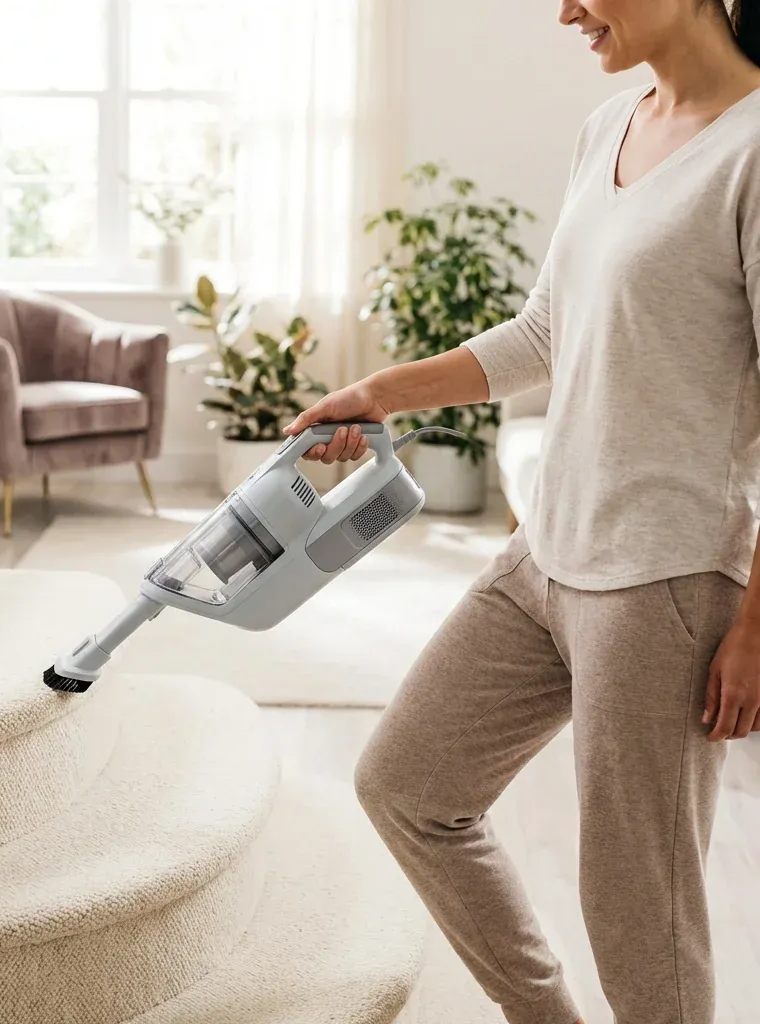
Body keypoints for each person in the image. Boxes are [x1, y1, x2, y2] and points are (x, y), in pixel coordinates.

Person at [285, 2, 760, 1022]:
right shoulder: (609, 128)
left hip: (663, 580)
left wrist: (757, 626)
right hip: (546, 554)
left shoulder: (754, 151)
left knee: (639, 907)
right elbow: (545, 329)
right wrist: (379, 392)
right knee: (407, 785)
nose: (564, 9)